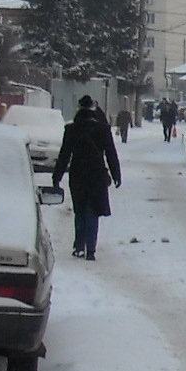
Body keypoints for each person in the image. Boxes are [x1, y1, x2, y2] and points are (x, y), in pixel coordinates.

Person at [52, 95, 122, 261]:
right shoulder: (102, 129)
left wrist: (57, 176)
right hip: (97, 174)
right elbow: (111, 153)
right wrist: (116, 174)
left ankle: (79, 245)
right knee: (93, 210)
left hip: (78, 174)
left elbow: (64, 155)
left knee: (80, 210)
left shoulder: (71, 129)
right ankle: (91, 248)